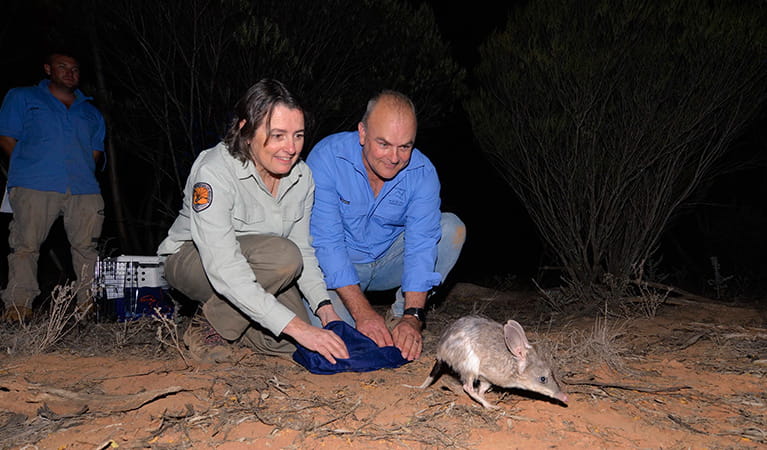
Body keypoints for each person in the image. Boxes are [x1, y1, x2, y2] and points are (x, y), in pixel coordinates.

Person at [157, 79, 349, 364]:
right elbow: (224, 265)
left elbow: (304, 249)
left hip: (265, 269)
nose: (291, 147)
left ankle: (227, 325)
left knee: (299, 346)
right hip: (193, 260)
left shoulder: (302, 177)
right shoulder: (214, 171)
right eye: (278, 135)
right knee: (285, 261)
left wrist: (324, 307)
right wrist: (296, 327)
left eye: (298, 135)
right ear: (245, 131)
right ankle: (207, 326)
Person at [306, 90, 466, 361]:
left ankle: (398, 316)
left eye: (405, 146)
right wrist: (363, 313)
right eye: (384, 144)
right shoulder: (327, 158)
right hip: (337, 269)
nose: (394, 158)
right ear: (362, 133)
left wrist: (413, 316)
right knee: (344, 343)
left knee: (452, 229)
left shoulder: (423, 173)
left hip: (388, 263)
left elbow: (421, 246)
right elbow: (327, 244)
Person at [0, 51, 106, 322]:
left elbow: (95, 151)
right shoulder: (22, 97)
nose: (70, 73)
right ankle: (18, 308)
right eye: (62, 67)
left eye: (75, 69)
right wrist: (31, 166)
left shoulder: (91, 111)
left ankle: (89, 306)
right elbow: (7, 137)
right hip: (34, 184)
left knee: (87, 248)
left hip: (84, 188)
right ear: (48, 69)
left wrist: (79, 171)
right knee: (25, 246)